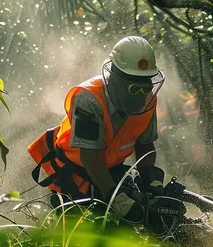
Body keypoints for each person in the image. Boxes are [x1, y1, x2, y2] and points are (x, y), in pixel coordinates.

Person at [28, 36, 166, 219]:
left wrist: (151, 181)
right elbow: (89, 156)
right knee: (86, 232)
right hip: (75, 172)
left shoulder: (146, 100)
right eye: (134, 87)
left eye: (145, 85)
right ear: (117, 78)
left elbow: (145, 145)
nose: (141, 93)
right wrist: (116, 198)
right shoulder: (89, 99)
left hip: (109, 169)